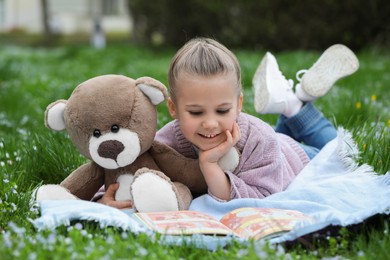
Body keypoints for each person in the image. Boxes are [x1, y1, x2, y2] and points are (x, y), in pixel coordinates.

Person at [97, 38, 359, 207]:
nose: (210, 123)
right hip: (272, 147)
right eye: (196, 113)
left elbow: (260, 200)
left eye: (223, 110)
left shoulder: (259, 138)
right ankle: (291, 101)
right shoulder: (169, 141)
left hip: (294, 156)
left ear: (239, 105)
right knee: (282, 134)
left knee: (338, 150)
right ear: (173, 109)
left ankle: (296, 106)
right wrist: (106, 196)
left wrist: (209, 165)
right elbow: (131, 169)